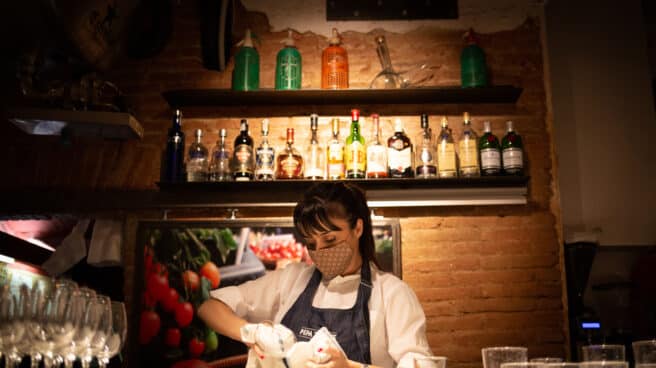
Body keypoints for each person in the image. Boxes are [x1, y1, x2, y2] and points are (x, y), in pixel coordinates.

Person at [198, 182, 433, 368]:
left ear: (358, 228)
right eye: (311, 243)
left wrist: (351, 367)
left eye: (330, 240)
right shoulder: (291, 279)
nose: (320, 252)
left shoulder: (392, 294)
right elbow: (209, 307)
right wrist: (252, 332)